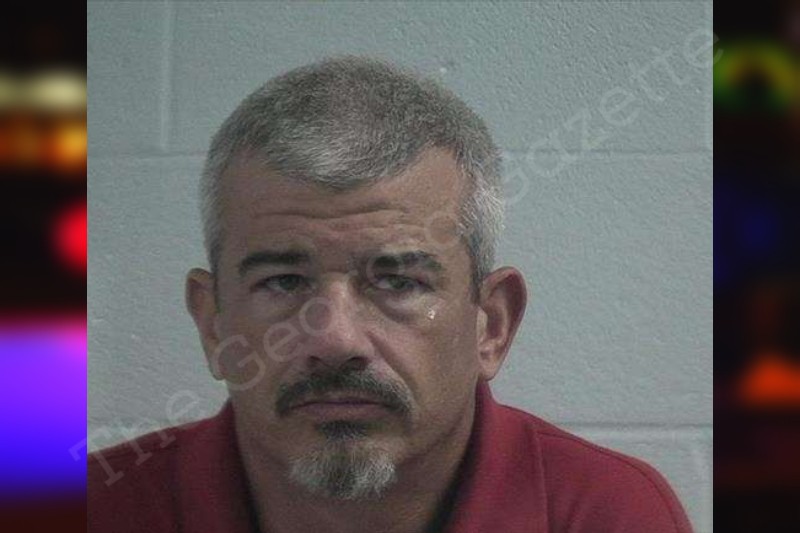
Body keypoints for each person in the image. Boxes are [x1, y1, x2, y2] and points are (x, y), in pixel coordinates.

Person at [88, 56, 693, 533]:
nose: (334, 339)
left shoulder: (605, 514)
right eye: (282, 281)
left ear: (492, 325)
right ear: (213, 324)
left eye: (398, 282)